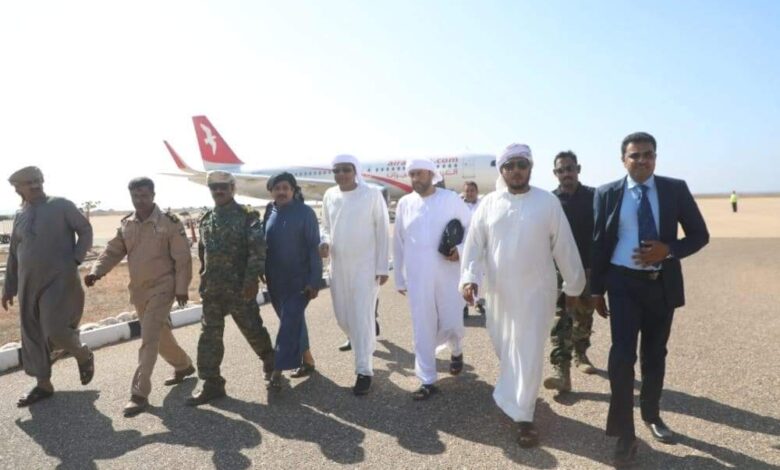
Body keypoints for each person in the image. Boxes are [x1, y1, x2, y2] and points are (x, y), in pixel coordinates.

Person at [591, 132, 709, 467]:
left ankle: (652, 414)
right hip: (623, 285)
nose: (642, 160)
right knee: (621, 357)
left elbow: (700, 235)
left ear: (655, 157)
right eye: (635, 155)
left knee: (655, 355)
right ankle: (625, 435)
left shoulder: (675, 189)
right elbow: (599, 242)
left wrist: (668, 250)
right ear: (623, 159)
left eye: (648, 155)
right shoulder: (607, 193)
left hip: (661, 286)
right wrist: (596, 289)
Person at [460, 144, 585, 447]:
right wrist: (469, 278)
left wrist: (574, 285)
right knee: (506, 348)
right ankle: (513, 396)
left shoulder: (547, 202)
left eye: (521, 164)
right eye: (510, 165)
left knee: (527, 351)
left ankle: (524, 416)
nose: (516, 170)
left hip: (537, 292)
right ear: (502, 171)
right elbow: (474, 246)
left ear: (530, 168)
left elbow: (564, 245)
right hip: (499, 294)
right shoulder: (489, 204)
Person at [85, 177, 195, 416]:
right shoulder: (128, 224)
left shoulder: (169, 222)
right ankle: (183, 365)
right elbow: (113, 251)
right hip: (139, 290)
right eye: (136, 196)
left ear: (153, 195)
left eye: (144, 195)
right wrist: (96, 271)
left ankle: (139, 394)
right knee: (159, 334)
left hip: (163, 288)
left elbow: (183, 258)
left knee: (149, 337)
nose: (140, 200)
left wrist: (182, 288)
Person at [1, 166, 95, 407]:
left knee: (55, 330)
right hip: (28, 283)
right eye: (29, 182)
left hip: (59, 280)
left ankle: (82, 354)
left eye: (38, 180)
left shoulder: (61, 205)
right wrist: (9, 287)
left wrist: (75, 259)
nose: (35, 185)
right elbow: (14, 253)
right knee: (32, 334)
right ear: (17, 188)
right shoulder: (20, 214)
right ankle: (43, 384)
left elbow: (85, 230)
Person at [186, 171, 275, 406]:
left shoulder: (247, 216)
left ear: (232, 188)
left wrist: (251, 280)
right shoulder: (206, 219)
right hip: (213, 289)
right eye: (214, 187)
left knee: (252, 329)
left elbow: (257, 250)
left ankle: (270, 362)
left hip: (239, 288)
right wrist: (203, 278)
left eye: (223, 187)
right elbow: (204, 253)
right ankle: (211, 383)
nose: (219, 190)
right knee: (209, 336)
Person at [393, 158, 471, 400]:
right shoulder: (405, 204)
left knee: (452, 321)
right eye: (412, 174)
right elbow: (398, 242)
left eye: (420, 173)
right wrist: (399, 277)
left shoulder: (450, 199)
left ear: (432, 174)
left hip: (449, 273)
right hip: (418, 277)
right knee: (422, 326)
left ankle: (456, 349)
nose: (416, 178)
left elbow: (471, 229)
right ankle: (427, 379)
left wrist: (460, 250)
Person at [320, 155, 390, 395]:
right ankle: (364, 342)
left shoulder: (372, 194)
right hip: (339, 267)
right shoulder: (329, 195)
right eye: (337, 170)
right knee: (343, 318)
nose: (341, 174)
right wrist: (324, 242)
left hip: (366, 268)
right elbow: (325, 226)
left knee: (361, 317)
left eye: (346, 169)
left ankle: (364, 370)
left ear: (355, 171)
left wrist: (382, 267)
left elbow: (382, 231)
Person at [543, 151, 597, 393]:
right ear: (555, 173)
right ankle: (561, 371)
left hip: (588, 269)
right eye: (561, 170)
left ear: (578, 169)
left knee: (584, 316)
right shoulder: (550, 201)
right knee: (560, 319)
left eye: (570, 168)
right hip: (558, 271)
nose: (566, 173)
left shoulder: (594, 197)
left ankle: (581, 354)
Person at [263, 172, 322, 390]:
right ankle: (308, 360)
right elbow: (265, 244)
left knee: (288, 322)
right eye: (277, 188)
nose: (281, 192)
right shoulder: (269, 211)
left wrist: (314, 280)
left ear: (293, 190)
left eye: (285, 188)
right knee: (292, 321)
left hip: (299, 281)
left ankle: (277, 370)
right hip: (275, 281)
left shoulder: (305, 213)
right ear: (271, 192)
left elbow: (314, 248)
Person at [460, 181, 485, 318]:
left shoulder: (483, 205)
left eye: (472, 190)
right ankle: (463, 306)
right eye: (467, 191)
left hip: (480, 246)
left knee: (478, 275)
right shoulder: (459, 206)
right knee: (463, 276)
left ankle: (477, 301)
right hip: (463, 247)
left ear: (477, 191)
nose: (470, 193)